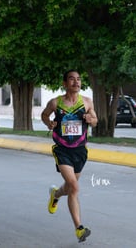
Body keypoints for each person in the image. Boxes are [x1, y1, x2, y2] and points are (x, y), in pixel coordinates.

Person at [41, 69, 98, 243]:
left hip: (80, 151)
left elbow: (95, 120)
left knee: (69, 187)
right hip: (62, 149)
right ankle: (79, 228)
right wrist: (49, 123)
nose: (76, 82)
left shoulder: (87, 102)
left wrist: (91, 119)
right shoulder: (55, 103)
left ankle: (55, 195)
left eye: (79, 79)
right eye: (72, 79)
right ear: (65, 83)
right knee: (74, 186)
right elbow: (44, 115)